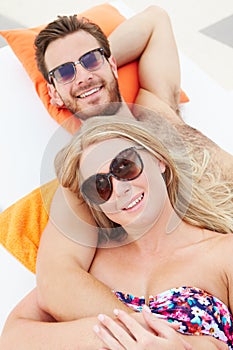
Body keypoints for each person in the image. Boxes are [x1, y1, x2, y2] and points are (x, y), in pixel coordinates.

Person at [1, 115, 233, 349]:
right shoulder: (87, 267)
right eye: (100, 187)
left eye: (125, 166)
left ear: (159, 159)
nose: (120, 189)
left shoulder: (223, 252)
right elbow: (13, 339)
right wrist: (128, 333)